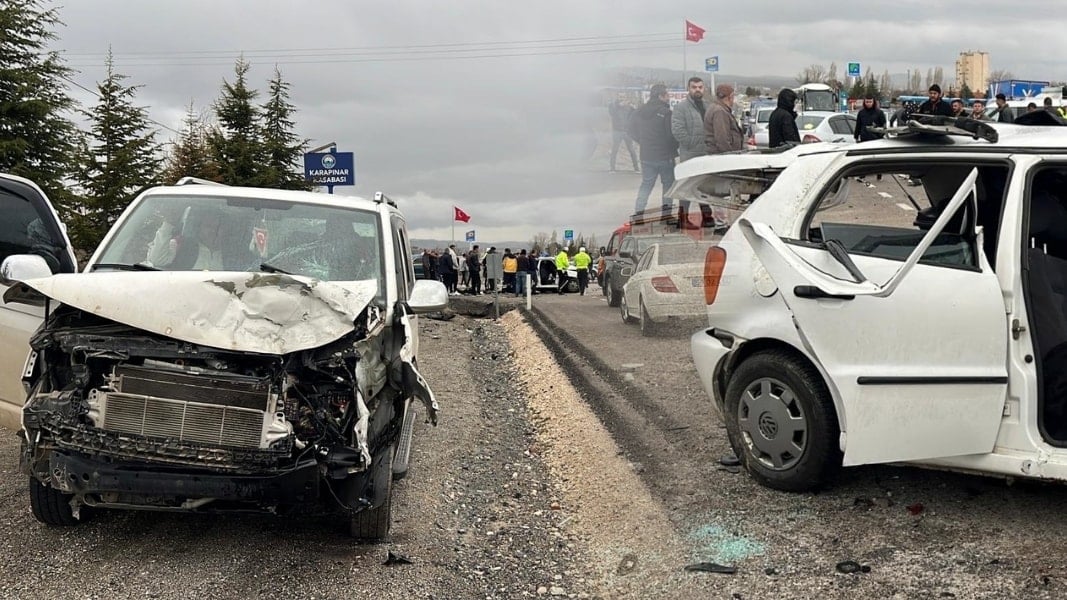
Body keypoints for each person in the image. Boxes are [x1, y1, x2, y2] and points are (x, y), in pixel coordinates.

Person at [629, 84, 678, 213]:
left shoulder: (638, 111)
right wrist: (674, 149)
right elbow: (671, 136)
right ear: (660, 96)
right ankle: (666, 217)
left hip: (646, 155)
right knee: (668, 186)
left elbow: (630, 131)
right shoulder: (666, 113)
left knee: (646, 185)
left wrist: (642, 141)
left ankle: (638, 214)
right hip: (664, 156)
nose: (668, 97)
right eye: (666, 95)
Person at [147, 208, 224, 270]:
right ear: (199, 228)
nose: (213, 231)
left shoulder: (231, 254)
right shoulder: (181, 245)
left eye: (218, 227)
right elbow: (157, 260)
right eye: (209, 226)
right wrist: (169, 223)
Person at [671, 77, 707, 162]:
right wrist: (691, 143)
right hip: (690, 155)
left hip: (706, 154)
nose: (697, 89)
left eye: (700, 87)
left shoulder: (708, 106)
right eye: (694, 87)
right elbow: (677, 130)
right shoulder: (681, 107)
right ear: (688, 88)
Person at [703, 84, 744, 154]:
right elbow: (722, 139)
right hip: (721, 156)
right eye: (733, 96)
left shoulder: (715, 108)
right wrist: (730, 156)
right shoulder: (720, 112)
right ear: (730, 97)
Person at [608, 93, 639, 172]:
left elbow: (635, 116)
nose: (622, 98)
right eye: (620, 97)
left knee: (631, 150)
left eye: (624, 97)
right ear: (617, 97)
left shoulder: (629, 107)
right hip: (617, 131)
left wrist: (634, 109)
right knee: (615, 150)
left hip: (627, 131)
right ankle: (612, 169)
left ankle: (636, 168)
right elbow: (612, 113)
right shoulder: (613, 105)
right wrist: (619, 106)